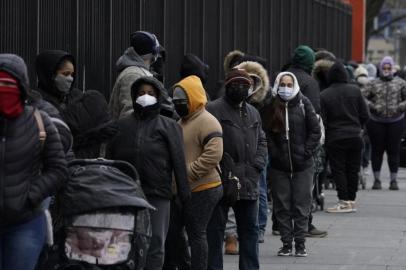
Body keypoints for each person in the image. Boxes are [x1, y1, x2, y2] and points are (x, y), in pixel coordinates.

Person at [107, 76, 191, 269]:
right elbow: (111, 158)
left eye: (151, 94)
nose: (146, 97)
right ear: (134, 96)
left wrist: (184, 196)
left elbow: (178, 161)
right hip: (126, 193)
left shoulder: (169, 126)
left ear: (158, 97)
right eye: (141, 93)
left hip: (158, 193)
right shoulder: (122, 126)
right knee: (127, 241)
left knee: (156, 243)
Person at [0, 53, 68, 270]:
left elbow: (58, 169)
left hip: (25, 223)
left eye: (8, 83)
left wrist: (32, 196)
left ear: (21, 85)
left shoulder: (40, 121)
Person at [206, 69, 268, 270]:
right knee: (215, 231)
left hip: (249, 180)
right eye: (236, 85)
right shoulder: (213, 109)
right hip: (222, 180)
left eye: (245, 85)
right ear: (227, 86)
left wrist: (258, 164)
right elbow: (208, 141)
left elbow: (262, 140)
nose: (240, 89)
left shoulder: (253, 112)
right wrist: (223, 166)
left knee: (249, 230)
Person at [263, 71, 321, 257]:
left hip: (303, 165)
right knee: (282, 206)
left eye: (289, 85)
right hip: (279, 166)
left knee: (302, 205)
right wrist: (275, 153)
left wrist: (305, 152)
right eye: (283, 84)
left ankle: (301, 244)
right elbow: (266, 134)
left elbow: (315, 131)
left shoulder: (304, 104)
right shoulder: (271, 106)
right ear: (277, 85)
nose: (286, 88)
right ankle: (286, 243)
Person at [172, 75, 223, 270]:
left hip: (204, 187)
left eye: (182, 101)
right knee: (181, 233)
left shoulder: (207, 121)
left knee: (197, 233)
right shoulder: (183, 121)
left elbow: (213, 155)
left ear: (193, 98)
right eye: (176, 101)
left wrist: (187, 173)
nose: (178, 105)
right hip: (187, 187)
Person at [287, 45, 327, 238]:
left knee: (283, 187)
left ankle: (280, 224)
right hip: (302, 141)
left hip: (282, 142)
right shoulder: (310, 82)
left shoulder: (283, 76)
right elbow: (314, 115)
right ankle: (305, 225)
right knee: (305, 186)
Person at [321, 62, 370, 213]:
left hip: (335, 137)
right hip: (355, 136)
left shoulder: (324, 94)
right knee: (353, 168)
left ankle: (343, 201)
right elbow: (365, 115)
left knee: (339, 169)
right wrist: (359, 127)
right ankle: (351, 200)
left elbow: (323, 120)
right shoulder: (355, 91)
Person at [235, 60, 270, 244]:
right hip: (238, 155)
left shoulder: (261, 102)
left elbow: (265, 132)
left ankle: (260, 227)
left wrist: (260, 158)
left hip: (256, 153)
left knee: (259, 190)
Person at [362, 56, 406, 190]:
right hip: (376, 122)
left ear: (392, 68)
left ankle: (393, 181)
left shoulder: (401, 83)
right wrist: (372, 106)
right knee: (377, 151)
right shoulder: (373, 83)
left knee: (394, 151)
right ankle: (377, 180)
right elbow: (362, 97)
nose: (386, 70)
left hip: (396, 121)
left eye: (389, 67)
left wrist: (400, 107)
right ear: (380, 68)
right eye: (384, 67)